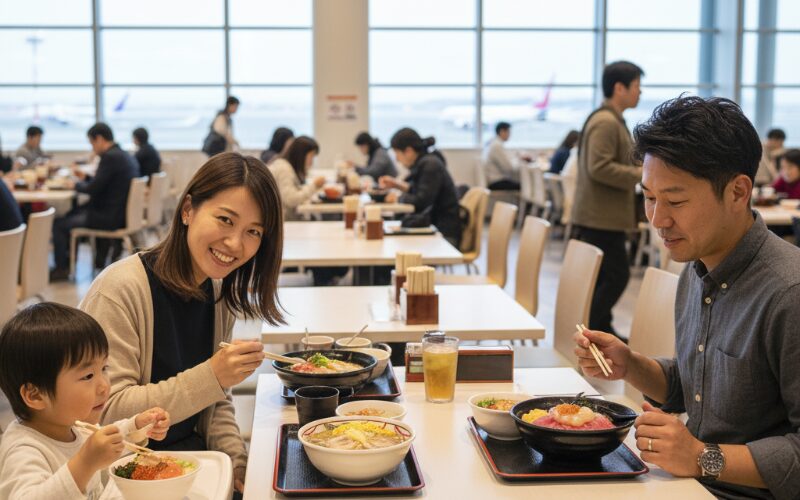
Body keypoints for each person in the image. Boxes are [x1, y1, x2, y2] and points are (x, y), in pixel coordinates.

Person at [574, 96, 800, 499]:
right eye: (649, 197)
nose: (657, 219)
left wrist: (700, 457)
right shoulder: (697, 269)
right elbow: (700, 386)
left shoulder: (789, 293)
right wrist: (631, 365)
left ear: (738, 192)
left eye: (675, 201)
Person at [79, 152, 284, 496]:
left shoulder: (217, 292)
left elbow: (215, 402)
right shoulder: (120, 290)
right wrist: (213, 375)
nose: (235, 243)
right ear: (188, 209)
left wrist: (236, 462)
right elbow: (104, 413)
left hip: (194, 465)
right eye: (225, 220)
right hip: (123, 478)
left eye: (253, 231)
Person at [0, 302, 170, 499]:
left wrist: (137, 426)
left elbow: (106, 440)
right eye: (88, 376)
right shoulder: (23, 449)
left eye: (104, 368)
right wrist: (85, 463)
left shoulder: (71, 425)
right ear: (35, 395)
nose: (104, 385)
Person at [570, 60, 644, 337]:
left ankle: (601, 329)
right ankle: (588, 329)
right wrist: (639, 174)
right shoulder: (605, 122)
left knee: (603, 276)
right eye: (636, 86)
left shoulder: (612, 119)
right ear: (619, 88)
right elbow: (598, 167)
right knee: (616, 276)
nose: (640, 92)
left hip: (603, 215)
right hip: (600, 217)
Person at [50, 123, 140, 281]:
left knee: (59, 224)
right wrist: (86, 178)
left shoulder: (110, 157)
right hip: (119, 213)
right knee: (71, 214)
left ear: (99, 139)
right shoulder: (122, 155)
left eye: (92, 143)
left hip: (107, 217)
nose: (92, 148)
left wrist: (74, 185)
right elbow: (104, 182)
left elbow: (93, 188)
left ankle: (62, 269)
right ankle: (71, 264)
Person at [381, 128, 461, 247]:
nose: (397, 159)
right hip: (434, 226)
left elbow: (421, 201)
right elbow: (418, 190)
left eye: (397, 153)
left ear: (408, 151)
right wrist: (396, 185)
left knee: (393, 244)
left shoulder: (430, 165)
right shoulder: (426, 161)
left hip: (443, 233)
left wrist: (398, 198)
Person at [268, 136, 325, 221]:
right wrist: (314, 186)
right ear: (302, 154)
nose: (312, 161)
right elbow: (291, 199)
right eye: (311, 156)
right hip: (283, 220)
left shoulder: (287, 166)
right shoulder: (284, 169)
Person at [482, 122, 520, 190]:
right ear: (502, 132)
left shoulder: (493, 143)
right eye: (508, 132)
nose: (509, 135)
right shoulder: (497, 146)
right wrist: (518, 160)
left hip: (495, 179)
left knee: (522, 184)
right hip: (496, 181)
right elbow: (509, 167)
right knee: (525, 186)